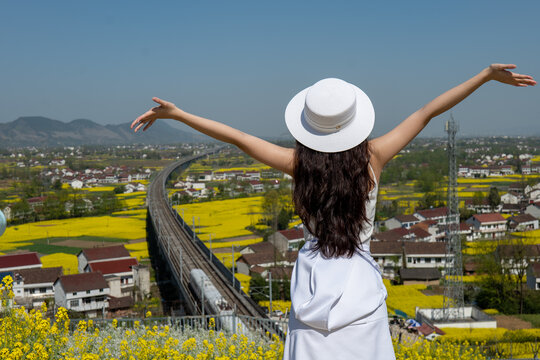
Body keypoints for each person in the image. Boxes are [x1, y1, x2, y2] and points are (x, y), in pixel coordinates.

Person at [131, 64, 535, 359]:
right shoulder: (373, 158)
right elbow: (426, 112)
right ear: (354, 121)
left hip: (312, 283)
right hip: (358, 282)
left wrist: (179, 113)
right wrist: (483, 76)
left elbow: (238, 137)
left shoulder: (298, 164)